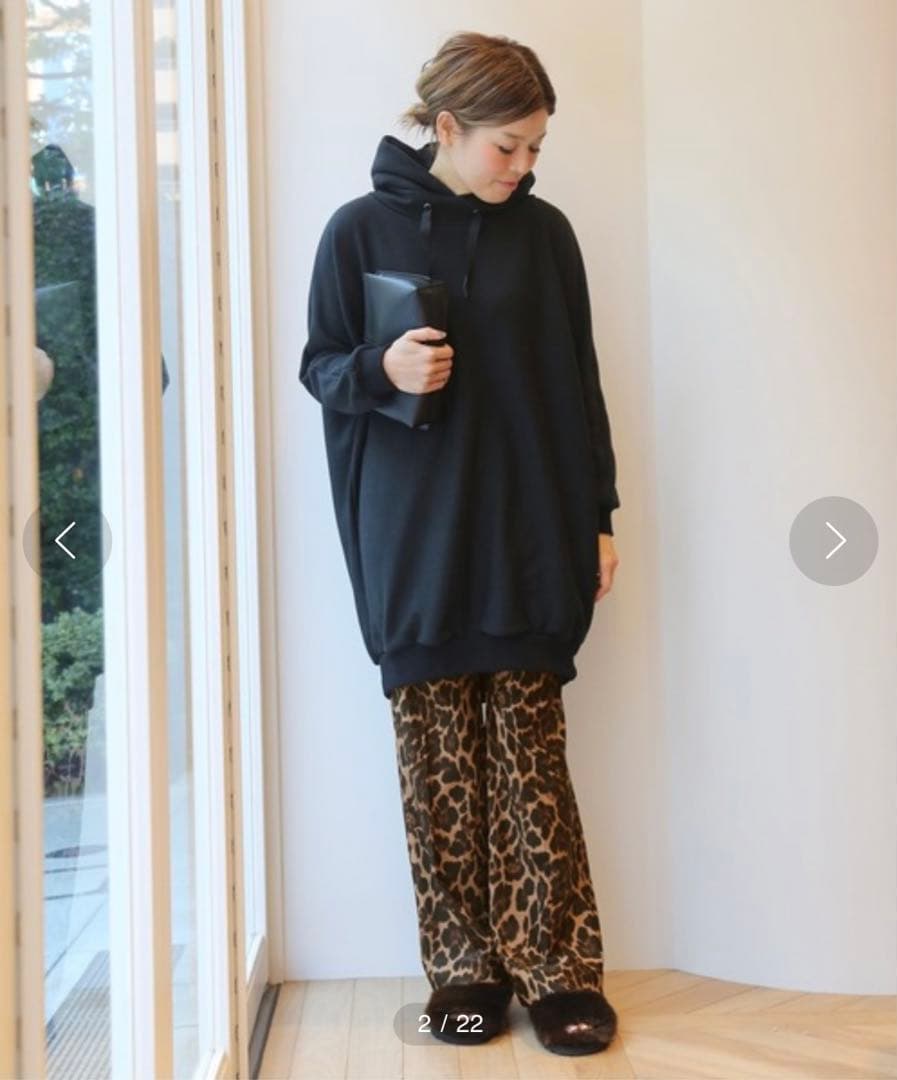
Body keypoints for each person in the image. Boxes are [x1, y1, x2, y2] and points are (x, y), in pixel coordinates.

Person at [299, 31, 621, 1056]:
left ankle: (559, 971)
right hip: (414, 545)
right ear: (446, 127)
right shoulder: (357, 231)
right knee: (437, 767)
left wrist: (599, 515)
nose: (522, 166)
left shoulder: (546, 235)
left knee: (532, 768)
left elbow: (579, 384)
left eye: (534, 149)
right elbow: (320, 367)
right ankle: (464, 971)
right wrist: (382, 368)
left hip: (528, 534)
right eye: (506, 146)